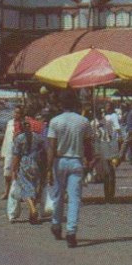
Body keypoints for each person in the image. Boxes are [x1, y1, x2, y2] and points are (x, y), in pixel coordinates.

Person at [45, 91, 93, 248]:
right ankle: (71, 232)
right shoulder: (83, 122)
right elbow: (88, 146)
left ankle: (56, 225)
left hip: (59, 161)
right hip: (76, 162)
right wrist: (89, 161)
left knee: (58, 195)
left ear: (61, 104)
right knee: (74, 198)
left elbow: (51, 147)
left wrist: (48, 168)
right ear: (75, 104)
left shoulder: (55, 122)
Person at [7, 99, 46, 225]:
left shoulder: (20, 132)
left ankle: (32, 210)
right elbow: (44, 149)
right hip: (36, 162)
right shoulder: (40, 128)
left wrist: (13, 169)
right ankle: (32, 216)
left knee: (25, 188)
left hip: (24, 162)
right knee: (34, 187)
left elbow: (16, 155)